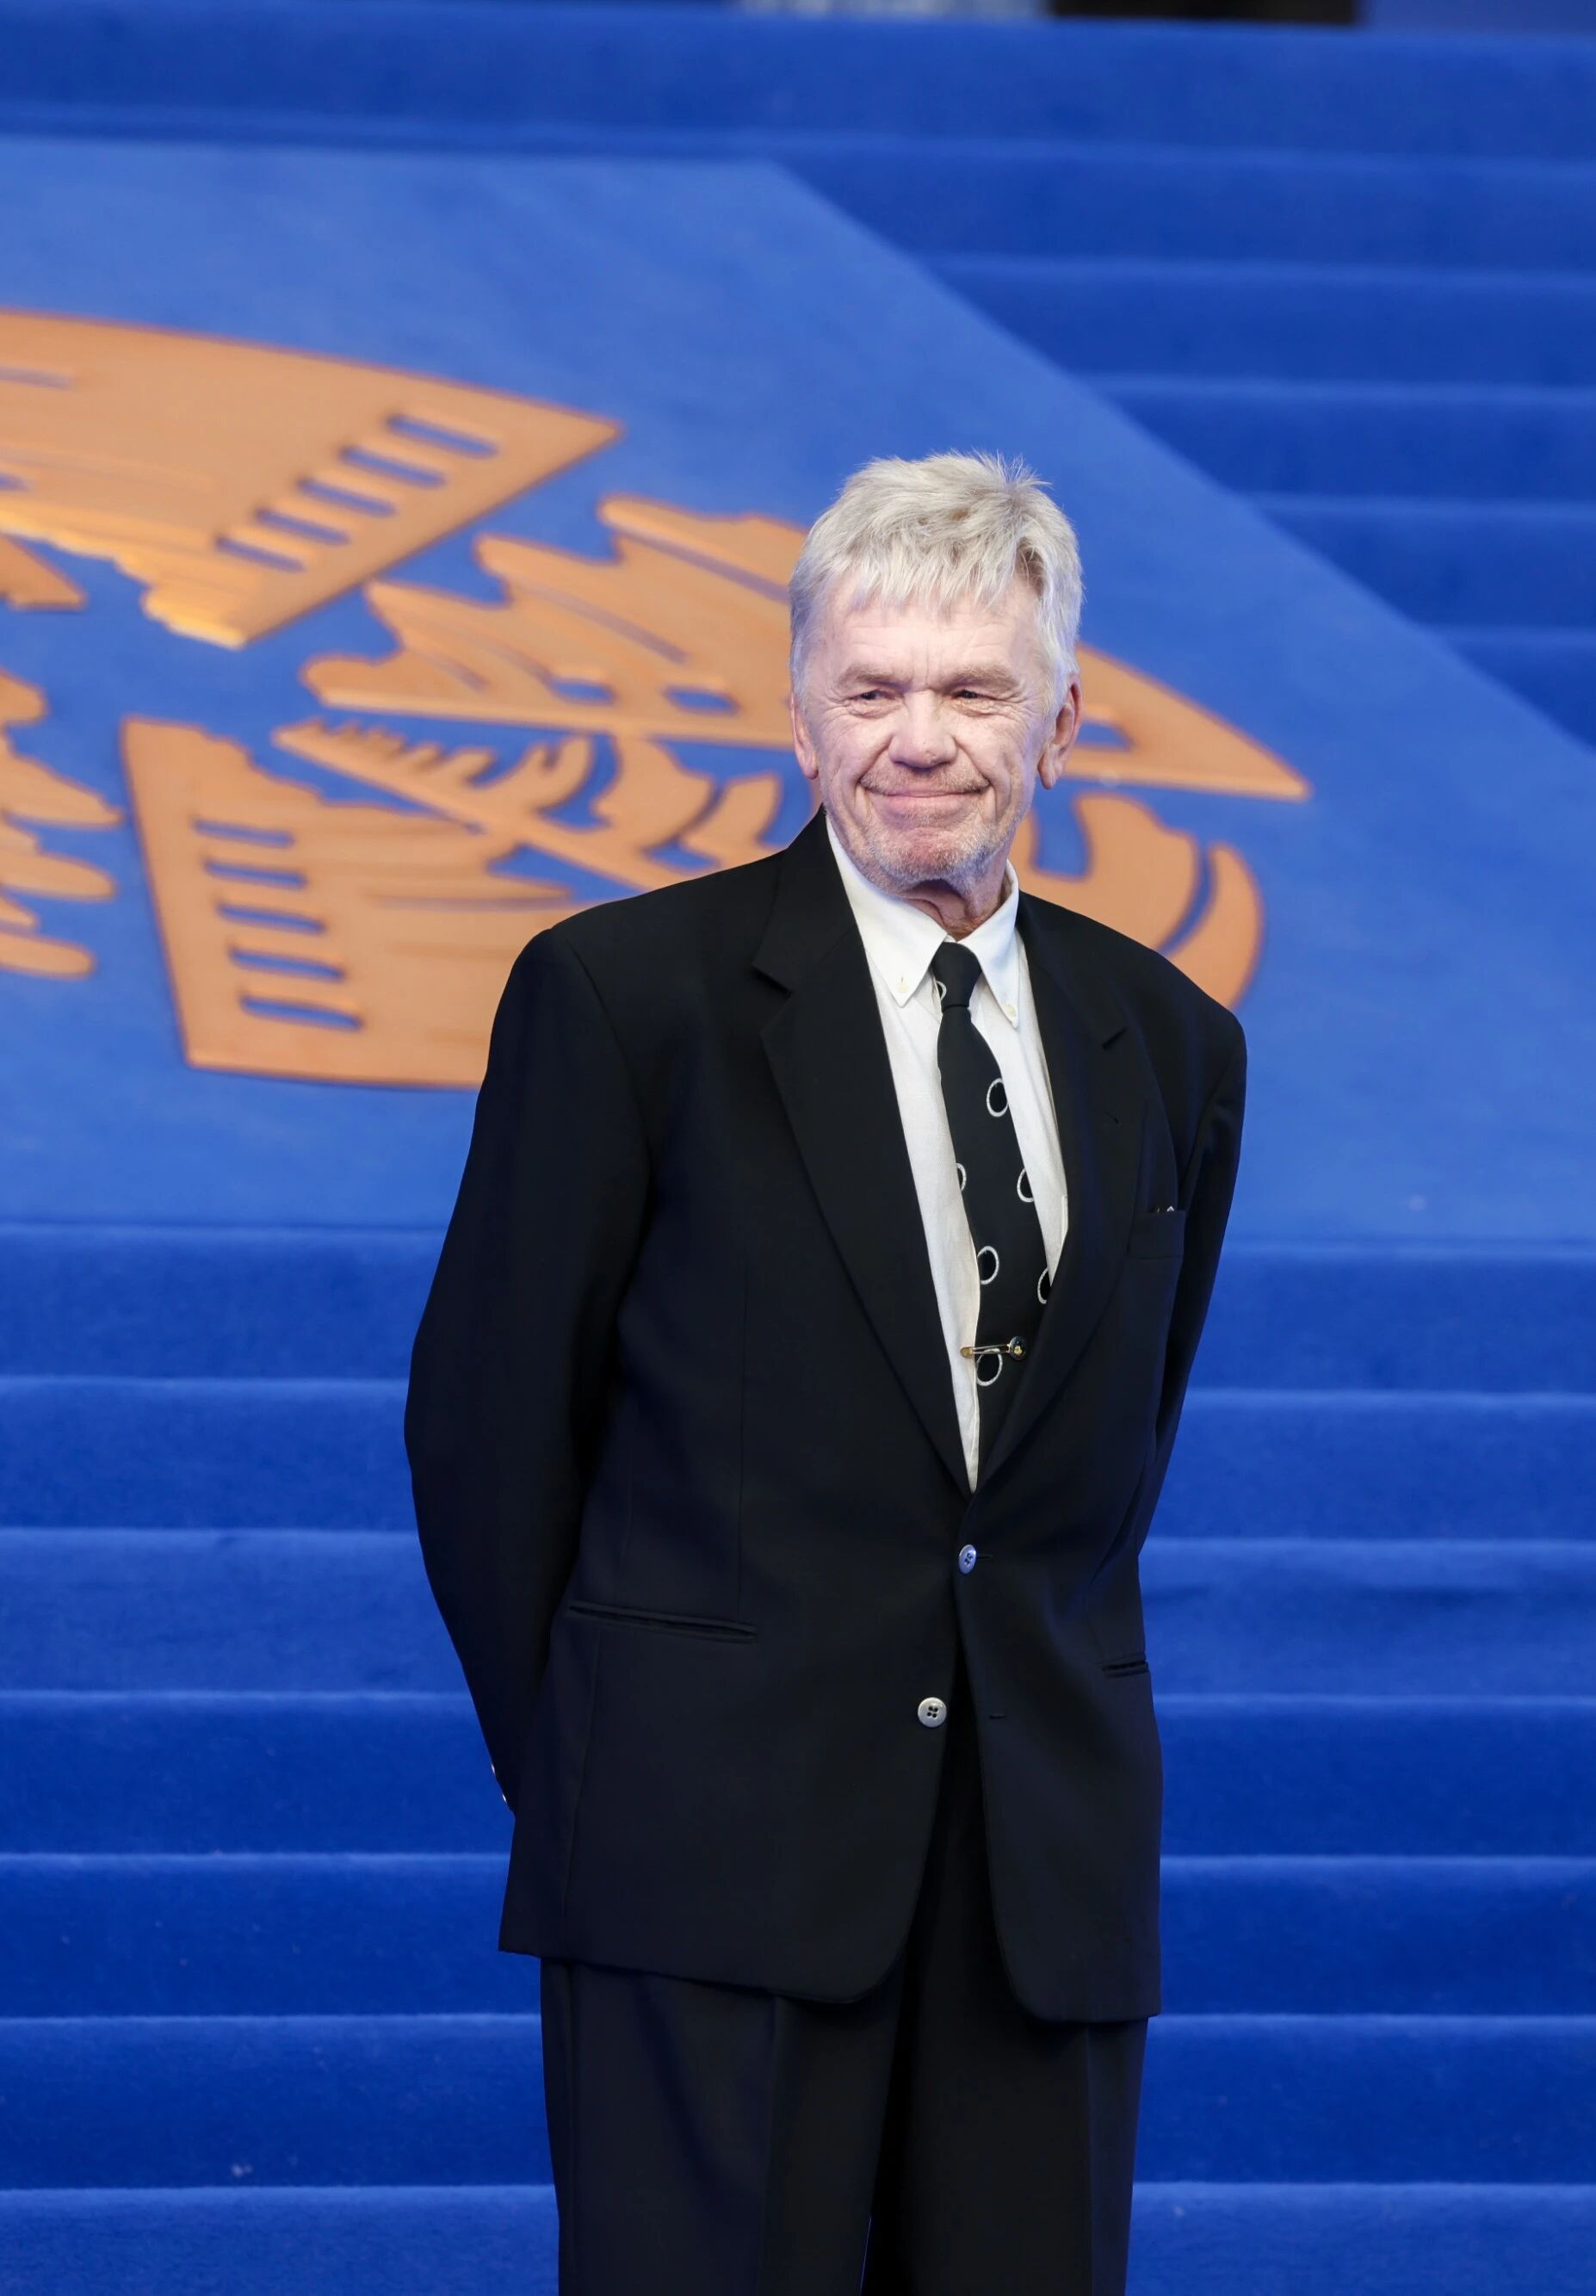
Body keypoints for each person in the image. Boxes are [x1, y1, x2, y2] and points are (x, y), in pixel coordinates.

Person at [406, 452, 1247, 2295]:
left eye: (974, 691)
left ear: (1061, 723)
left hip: (1037, 1880)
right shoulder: (625, 999)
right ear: (799, 713)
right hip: (703, 1849)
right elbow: (487, 1433)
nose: (918, 741)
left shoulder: (1172, 1043)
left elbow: (1107, 1450)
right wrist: (612, 1765)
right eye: (871, 690)